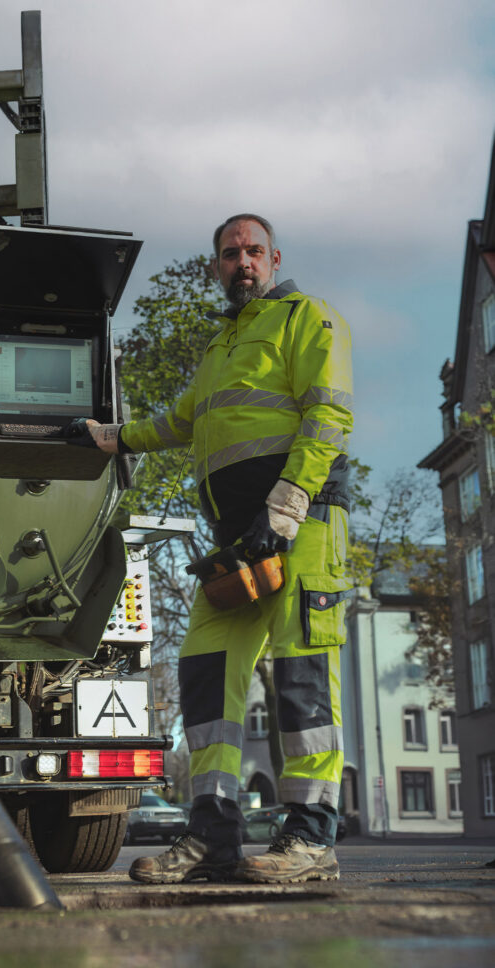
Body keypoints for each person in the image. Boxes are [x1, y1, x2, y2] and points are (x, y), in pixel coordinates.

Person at [80, 213, 352, 884]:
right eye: (230, 254)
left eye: (253, 251)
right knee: (203, 672)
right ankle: (212, 837)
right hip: (238, 540)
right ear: (216, 267)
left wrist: (284, 509)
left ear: (274, 258)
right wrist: (111, 438)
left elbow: (328, 414)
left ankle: (310, 838)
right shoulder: (220, 345)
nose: (242, 262)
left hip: (304, 524)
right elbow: (181, 422)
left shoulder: (306, 317)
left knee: (301, 677)